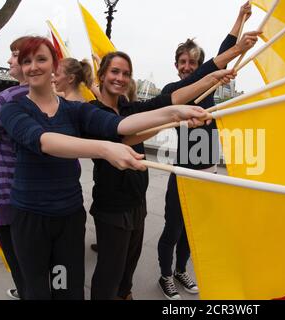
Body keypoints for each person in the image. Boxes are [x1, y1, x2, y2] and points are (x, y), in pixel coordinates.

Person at [0, 36, 212, 300]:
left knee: (66, 286)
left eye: (41, 59)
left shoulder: (73, 110)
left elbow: (118, 125)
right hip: (30, 216)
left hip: (68, 216)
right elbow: (42, 141)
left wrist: (174, 114)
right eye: (27, 61)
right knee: (37, 289)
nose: (33, 67)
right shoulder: (12, 109)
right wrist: (104, 149)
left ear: (54, 64)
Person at [88, 51, 235, 300]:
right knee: (109, 271)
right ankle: (153, 280)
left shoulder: (128, 107)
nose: (121, 78)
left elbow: (169, 100)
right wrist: (173, 118)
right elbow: (123, 135)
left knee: (128, 267)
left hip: (137, 202)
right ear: (101, 76)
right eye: (114, 72)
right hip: (112, 207)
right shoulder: (92, 112)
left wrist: (212, 79)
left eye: (126, 73)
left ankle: (126, 294)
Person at [157, 2, 259, 300]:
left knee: (193, 229)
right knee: (173, 227)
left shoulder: (209, 87)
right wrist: (218, 63)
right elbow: (215, 65)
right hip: (184, 172)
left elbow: (223, 57)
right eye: (183, 62)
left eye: (192, 62)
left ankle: (180, 270)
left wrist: (241, 17)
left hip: (209, 172)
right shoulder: (171, 92)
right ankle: (165, 276)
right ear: (176, 65)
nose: (187, 67)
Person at [0, 36, 31, 300]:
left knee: (17, 260)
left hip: (4, 195)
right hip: (32, 195)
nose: (8, 60)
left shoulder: (6, 99)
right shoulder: (49, 98)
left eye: (15, 54)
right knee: (33, 258)